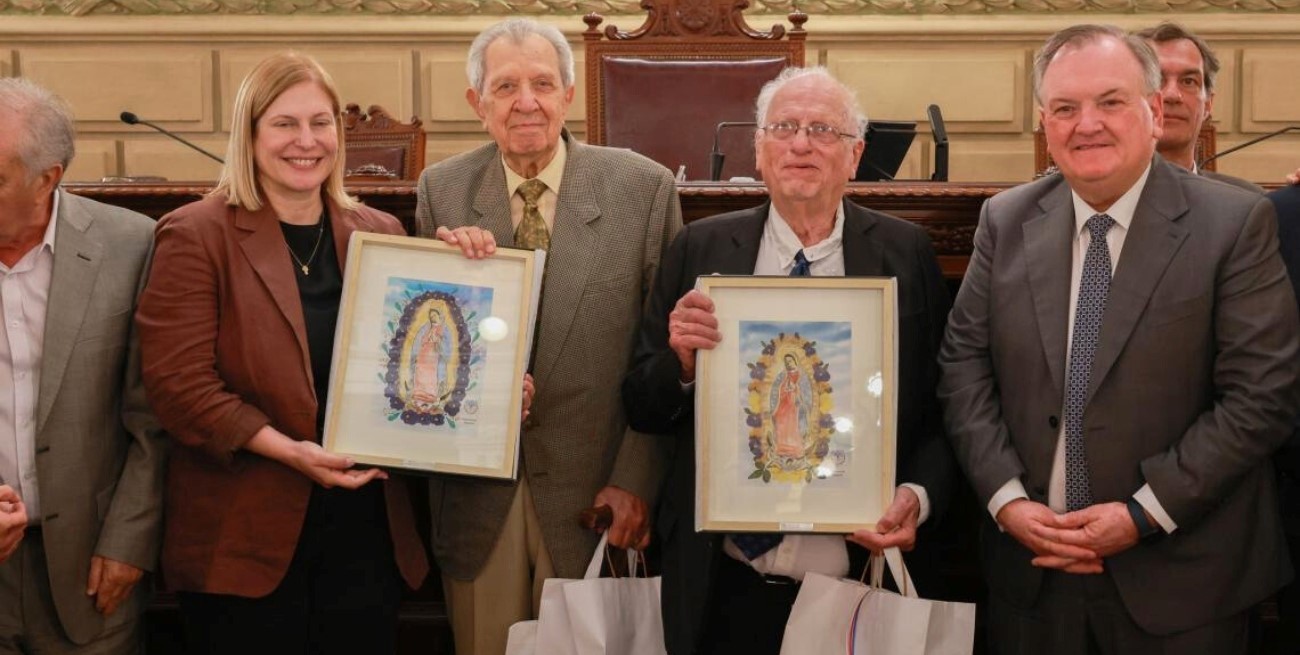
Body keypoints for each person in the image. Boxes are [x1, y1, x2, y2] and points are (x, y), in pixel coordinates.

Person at [939, 24, 1299, 654]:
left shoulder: (1234, 222)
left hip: (1183, 584)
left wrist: (1140, 514)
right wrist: (1008, 502)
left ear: (1153, 111)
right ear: (1044, 124)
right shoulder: (1006, 219)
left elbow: (1261, 396)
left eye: (1110, 102)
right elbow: (964, 369)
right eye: (1065, 108)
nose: (1087, 125)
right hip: (1033, 580)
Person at [622, 66, 955, 655]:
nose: (801, 143)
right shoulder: (701, 249)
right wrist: (682, 363)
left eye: (823, 130)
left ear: (855, 156)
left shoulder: (905, 254)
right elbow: (643, 406)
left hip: (853, 577)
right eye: (784, 127)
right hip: (719, 577)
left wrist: (918, 494)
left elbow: (939, 405)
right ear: (758, 148)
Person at [135, 53, 433, 654]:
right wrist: (290, 452)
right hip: (243, 535)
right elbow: (181, 390)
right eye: (284, 124)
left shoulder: (381, 233)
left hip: (365, 528)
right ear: (250, 134)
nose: (306, 141)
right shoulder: (196, 234)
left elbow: (412, 369)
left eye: (321, 123)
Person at [415, 17, 682, 655]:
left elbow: (666, 359)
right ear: (478, 105)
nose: (526, 102)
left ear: (569, 94)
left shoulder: (643, 190)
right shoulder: (442, 191)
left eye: (541, 83)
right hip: (482, 499)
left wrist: (637, 480)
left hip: (599, 494)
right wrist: (443, 271)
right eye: (505, 87)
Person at [0, 77, 166, 653]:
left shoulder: (132, 245)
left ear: (48, 178)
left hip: (91, 571)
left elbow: (152, 417)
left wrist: (129, 542)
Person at [1134, 22, 1264, 193]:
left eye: (1188, 81)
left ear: (1209, 104)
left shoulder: (1247, 205)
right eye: (1156, 80)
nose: (1172, 95)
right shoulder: (1093, 200)